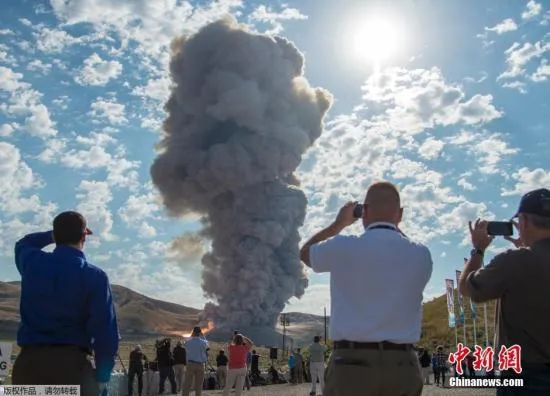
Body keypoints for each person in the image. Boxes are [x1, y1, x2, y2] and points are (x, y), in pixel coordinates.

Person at [300, 181, 433, 396]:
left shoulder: (343, 246)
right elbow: (399, 241)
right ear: (400, 214)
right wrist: (391, 221)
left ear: (364, 211)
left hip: (351, 366)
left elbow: (305, 253)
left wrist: (338, 224)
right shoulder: (421, 255)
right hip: (403, 366)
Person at [11, 211, 119, 396]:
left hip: (27, 366)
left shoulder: (32, 263)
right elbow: (105, 332)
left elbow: (24, 243)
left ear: (56, 235)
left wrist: (52, 234)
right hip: (71, 368)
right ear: (84, 235)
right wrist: (102, 377)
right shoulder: (94, 276)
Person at [458, 188, 550, 395]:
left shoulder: (516, 261)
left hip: (525, 376)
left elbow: (467, 288)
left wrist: (478, 250)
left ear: (524, 221)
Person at [182, 326, 209, 396]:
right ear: (200, 333)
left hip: (190, 364)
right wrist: (203, 336)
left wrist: (191, 336)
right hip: (200, 364)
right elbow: (207, 345)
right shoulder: (203, 342)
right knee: (199, 385)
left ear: (193, 332)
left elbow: (184, 343)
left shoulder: (188, 341)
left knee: (187, 384)